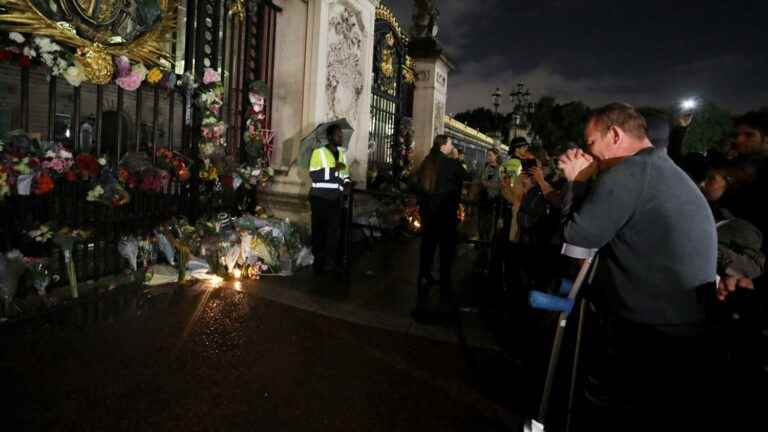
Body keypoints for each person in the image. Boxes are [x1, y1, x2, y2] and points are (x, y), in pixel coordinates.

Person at [557, 103, 718, 431]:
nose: (589, 153)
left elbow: (575, 239)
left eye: (590, 143)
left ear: (614, 135)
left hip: (651, 329)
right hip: (680, 321)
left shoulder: (629, 173)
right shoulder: (657, 168)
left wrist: (576, 182)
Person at [410, 134, 469, 320]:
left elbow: (415, 182)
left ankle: (424, 274)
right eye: (451, 143)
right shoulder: (451, 163)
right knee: (446, 249)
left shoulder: (428, 160)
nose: (452, 145)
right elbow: (466, 177)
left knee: (427, 245)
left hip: (428, 213)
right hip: (446, 214)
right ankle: (444, 280)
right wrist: (458, 159)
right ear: (444, 146)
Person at [308, 124, 351, 274]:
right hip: (319, 198)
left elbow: (345, 175)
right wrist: (334, 170)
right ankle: (317, 258)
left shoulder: (342, 154)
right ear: (330, 137)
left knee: (334, 231)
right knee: (319, 230)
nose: (341, 137)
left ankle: (329, 261)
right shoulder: (318, 153)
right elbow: (314, 174)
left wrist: (347, 183)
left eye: (341, 135)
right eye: (338, 135)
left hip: (335, 199)